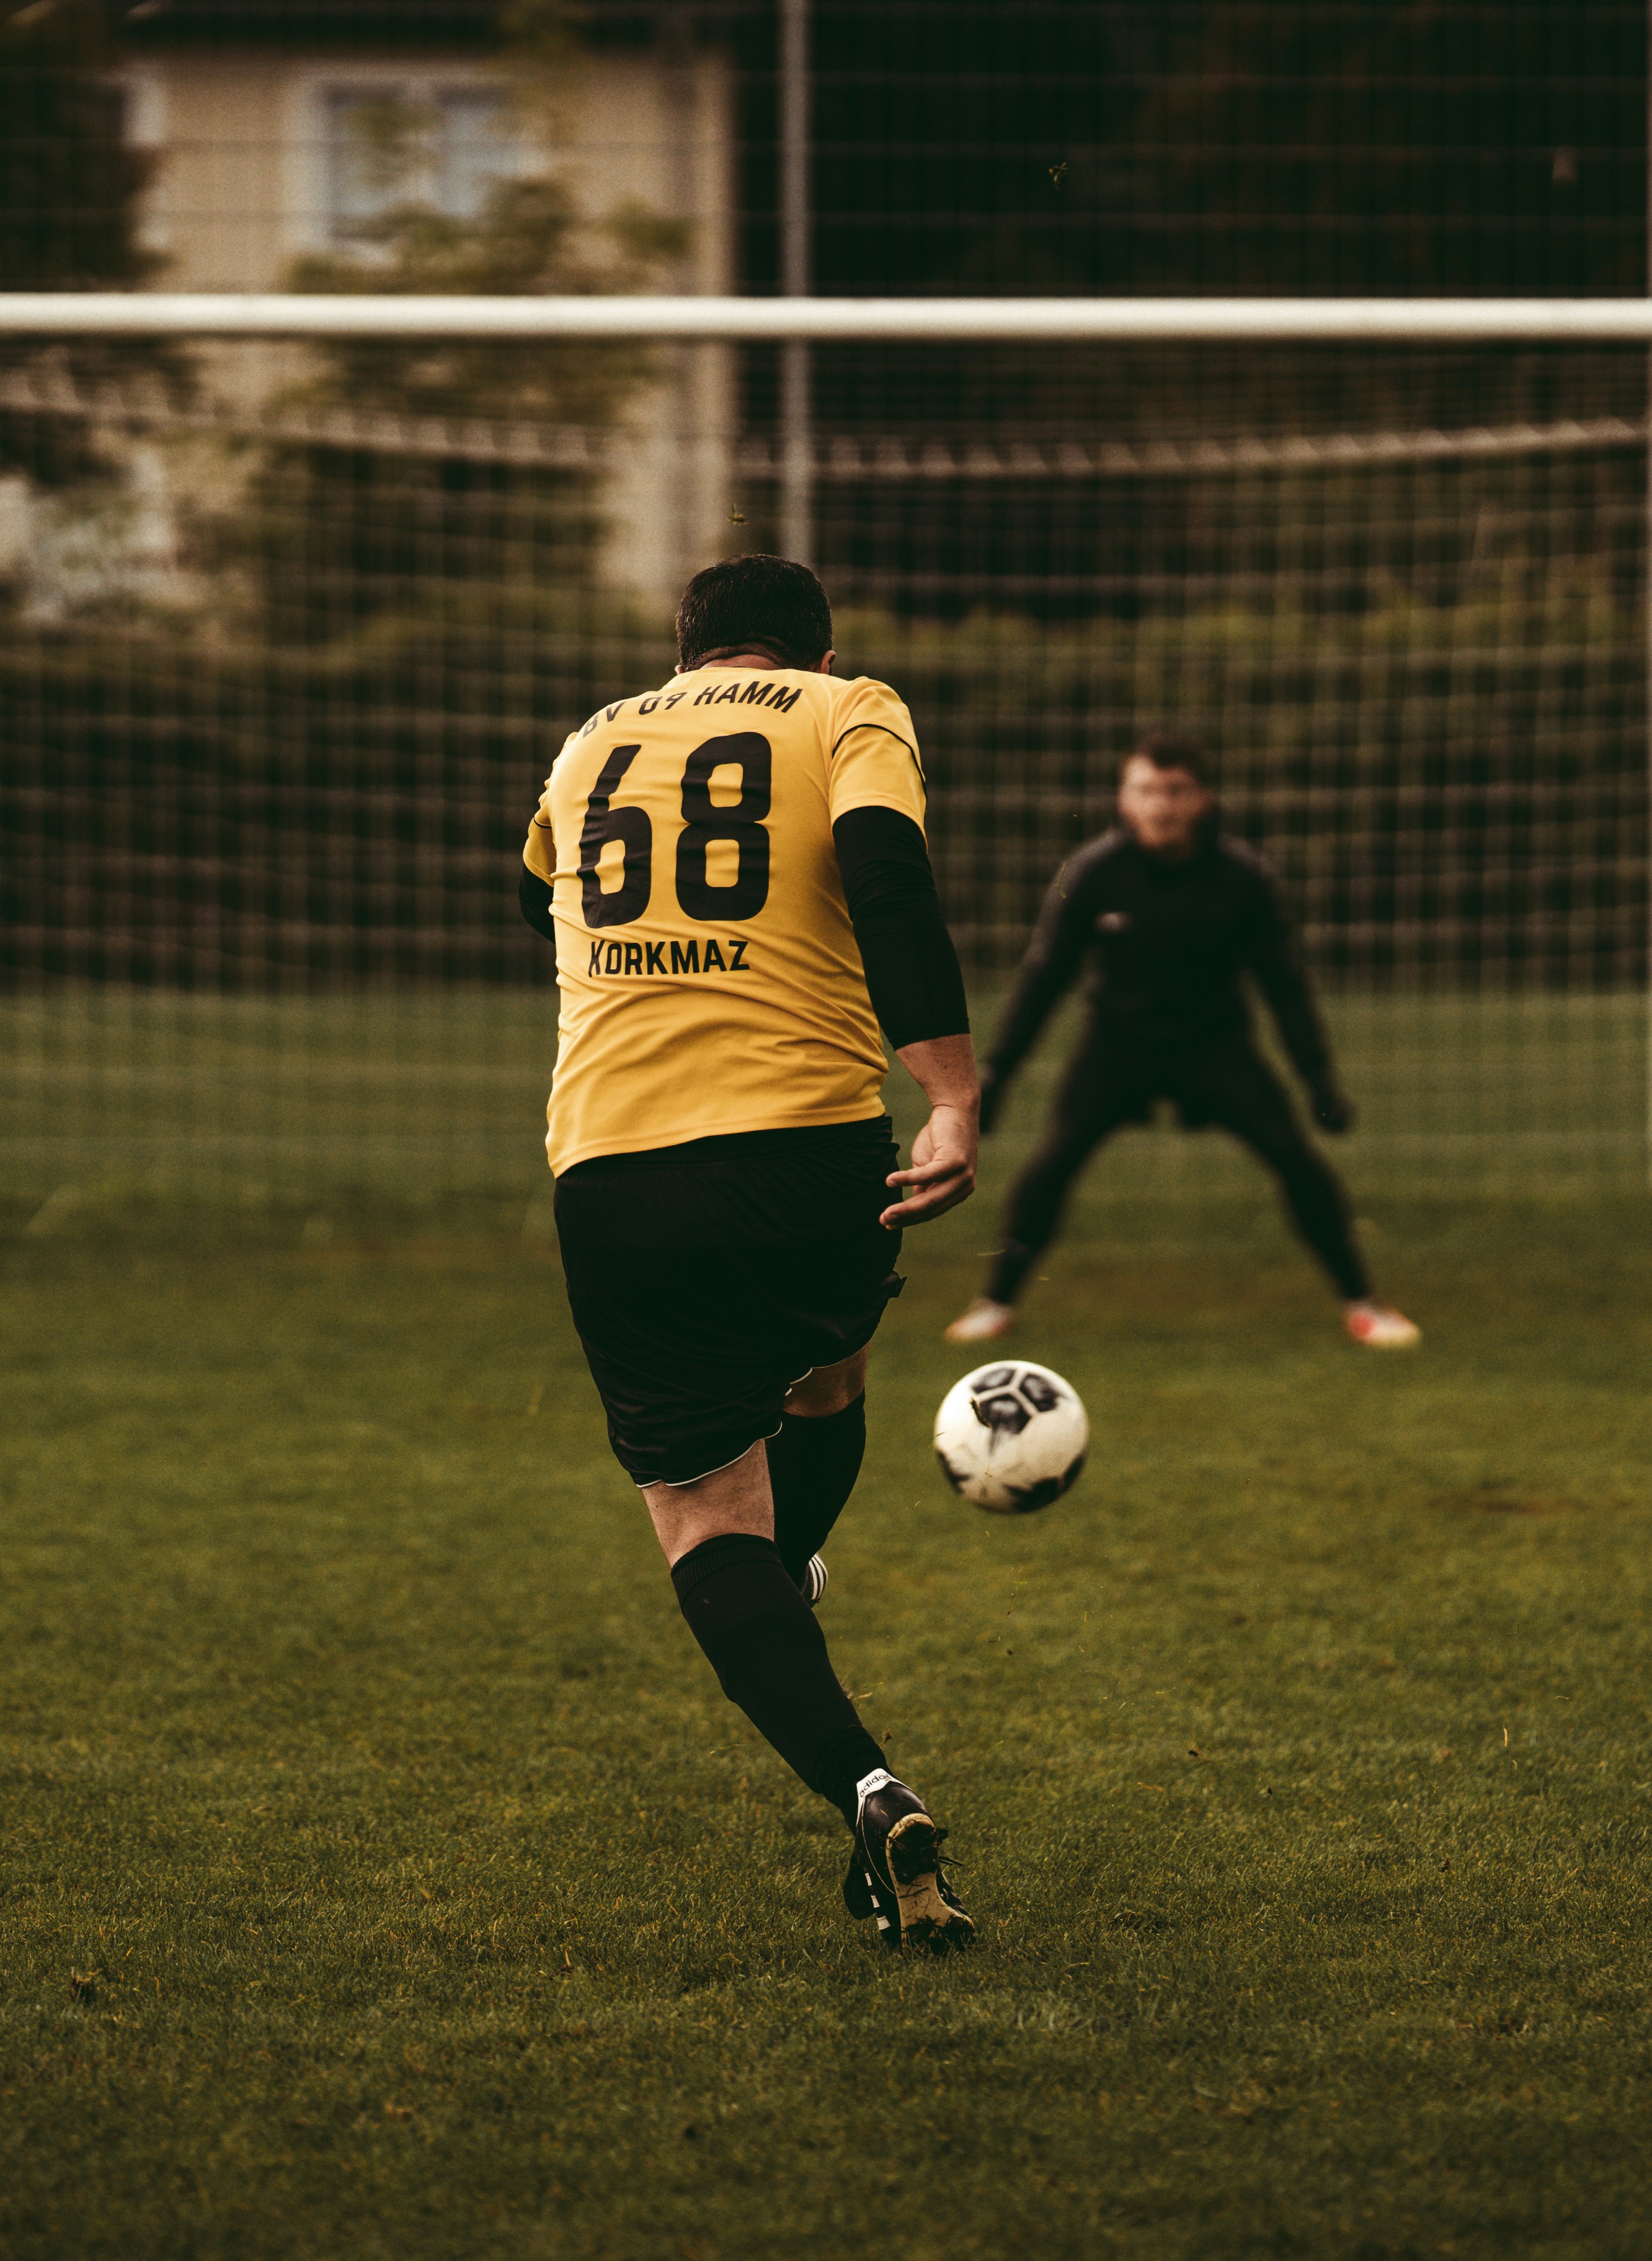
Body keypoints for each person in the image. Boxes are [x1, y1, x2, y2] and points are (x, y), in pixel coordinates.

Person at [519, 555, 985, 1952]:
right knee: (826, 1378)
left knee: (706, 1523)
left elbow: (546, 888)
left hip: (613, 1161)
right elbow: (887, 876)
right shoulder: (845, 710)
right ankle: (792, 1576)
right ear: (818, 651)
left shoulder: (592, 739)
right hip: (808, 1143)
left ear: (684, 651)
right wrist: (952, 1091)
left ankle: (868, 1783)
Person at [945, 733, 1421, 1352]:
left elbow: (1285, 985)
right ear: (1123, 797)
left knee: (1294, 1157)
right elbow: (1045, 979)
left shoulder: (1243, 878)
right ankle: (995, 1302)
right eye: (1146, 790)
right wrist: (999, 1074)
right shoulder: (1092, 874)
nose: (1161, 805)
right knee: (1053, 1162)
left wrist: (1318, 1081)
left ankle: (1365, 1303)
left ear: (1203, 799)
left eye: (1175, 791)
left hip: (1216, 1046)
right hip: (1117, 1046)